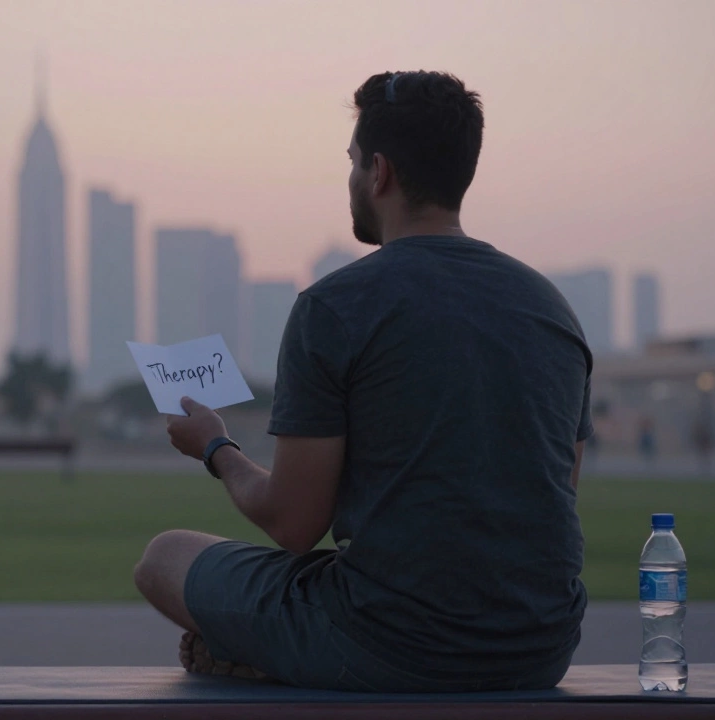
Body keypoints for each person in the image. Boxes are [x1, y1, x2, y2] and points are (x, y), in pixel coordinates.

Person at [133, 71, 592, 693]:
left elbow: (294, 527)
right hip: (540, 647)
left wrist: (216, 447)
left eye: (352, 162)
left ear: (379, 173)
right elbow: (557, 486)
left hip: (387, 644)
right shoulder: (551, 308)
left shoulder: (336, 307)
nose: (349, 178)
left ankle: (276, 654)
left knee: (162, 557)